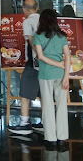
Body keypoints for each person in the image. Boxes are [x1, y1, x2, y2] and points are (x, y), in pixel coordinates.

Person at [33, 9, 71, 148]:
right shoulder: (62, 36)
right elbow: (68, 57)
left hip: (45, 74)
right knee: (61, 106)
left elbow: (40, 56)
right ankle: (62, 137)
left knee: (48, 106)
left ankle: (51, 138)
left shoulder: (38, 36)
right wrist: (66, 76)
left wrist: (57, 64)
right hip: (60, 75)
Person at [9, 0, 44, 135]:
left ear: (24, 8)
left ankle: (24, 124)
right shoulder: (44, 20)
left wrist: (39, 56)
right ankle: (45, 122)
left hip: (34, 63)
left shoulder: (28, 22)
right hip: (47, 63)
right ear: (37, 8)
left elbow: (31, 41)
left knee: (25, 92)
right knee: (43, 94)